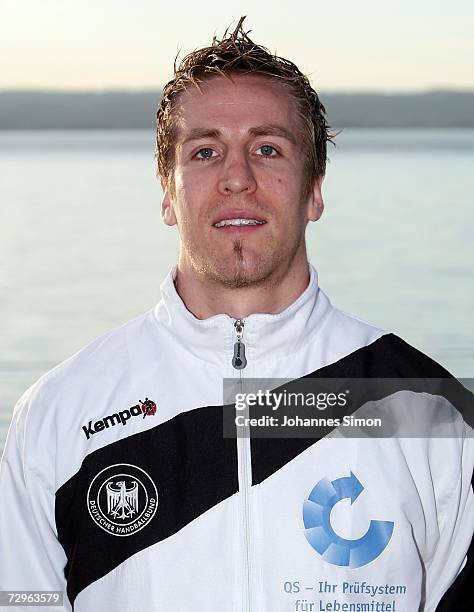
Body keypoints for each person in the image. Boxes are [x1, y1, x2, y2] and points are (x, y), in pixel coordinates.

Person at [0, 17, 472, 612]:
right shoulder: (57, 415)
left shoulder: (425, 406)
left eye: (267, 148)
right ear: (168, 195)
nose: (237, 178)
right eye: (205, 151)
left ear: (315, 190)